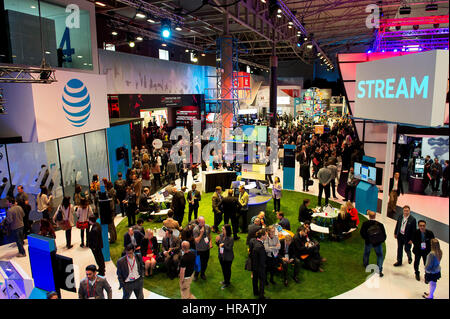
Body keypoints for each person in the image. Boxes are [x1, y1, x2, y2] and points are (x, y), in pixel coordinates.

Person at [360, 210, 386, 277]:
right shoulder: (380, 225)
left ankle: (366, 265)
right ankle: (379, 270)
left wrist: (367, 239)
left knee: (366, 253)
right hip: (377, 243)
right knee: (380, 256)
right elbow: (384, 236)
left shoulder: (365, 224)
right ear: (375, 216)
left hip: (368, 243)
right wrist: (379, 241)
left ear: (369, 216)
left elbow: (362, 233)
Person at [250, 229, 268, 299]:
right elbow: (262, 259)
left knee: (255, 280)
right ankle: (261, 296)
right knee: (262, 281)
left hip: (254, 265)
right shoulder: (260, 247)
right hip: (260, 267)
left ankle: (255, 292)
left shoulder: (253, 241)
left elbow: (250, 253)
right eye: (266, 235)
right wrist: (264, 267)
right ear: (262, 236)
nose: (266, 236)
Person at [215, 224, 234, 289]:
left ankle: (227, 283)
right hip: (221, 256)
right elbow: (219, 245)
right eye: (222, 229)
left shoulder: (231, 239)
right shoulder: (221, 236)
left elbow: (229, 248)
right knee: (223, 269)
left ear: (227, 230)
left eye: (223, 229)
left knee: (227, 270)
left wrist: (223, 245)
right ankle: (225, 280)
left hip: (228, 257)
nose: (222, 230)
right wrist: (216, 241)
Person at [193, 216, 212, 281]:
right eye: (202, 222)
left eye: (204, 222)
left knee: (205, 262)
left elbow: (209, 235)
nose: (203, 224)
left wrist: (210, 243)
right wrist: (201, 233)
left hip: (206, 249)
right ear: (198, 222)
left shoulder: (207, 227)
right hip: (199, 250)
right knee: (198, 263)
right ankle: (196, 275)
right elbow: (197, 241)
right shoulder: (196, 229)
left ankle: (202, 274)